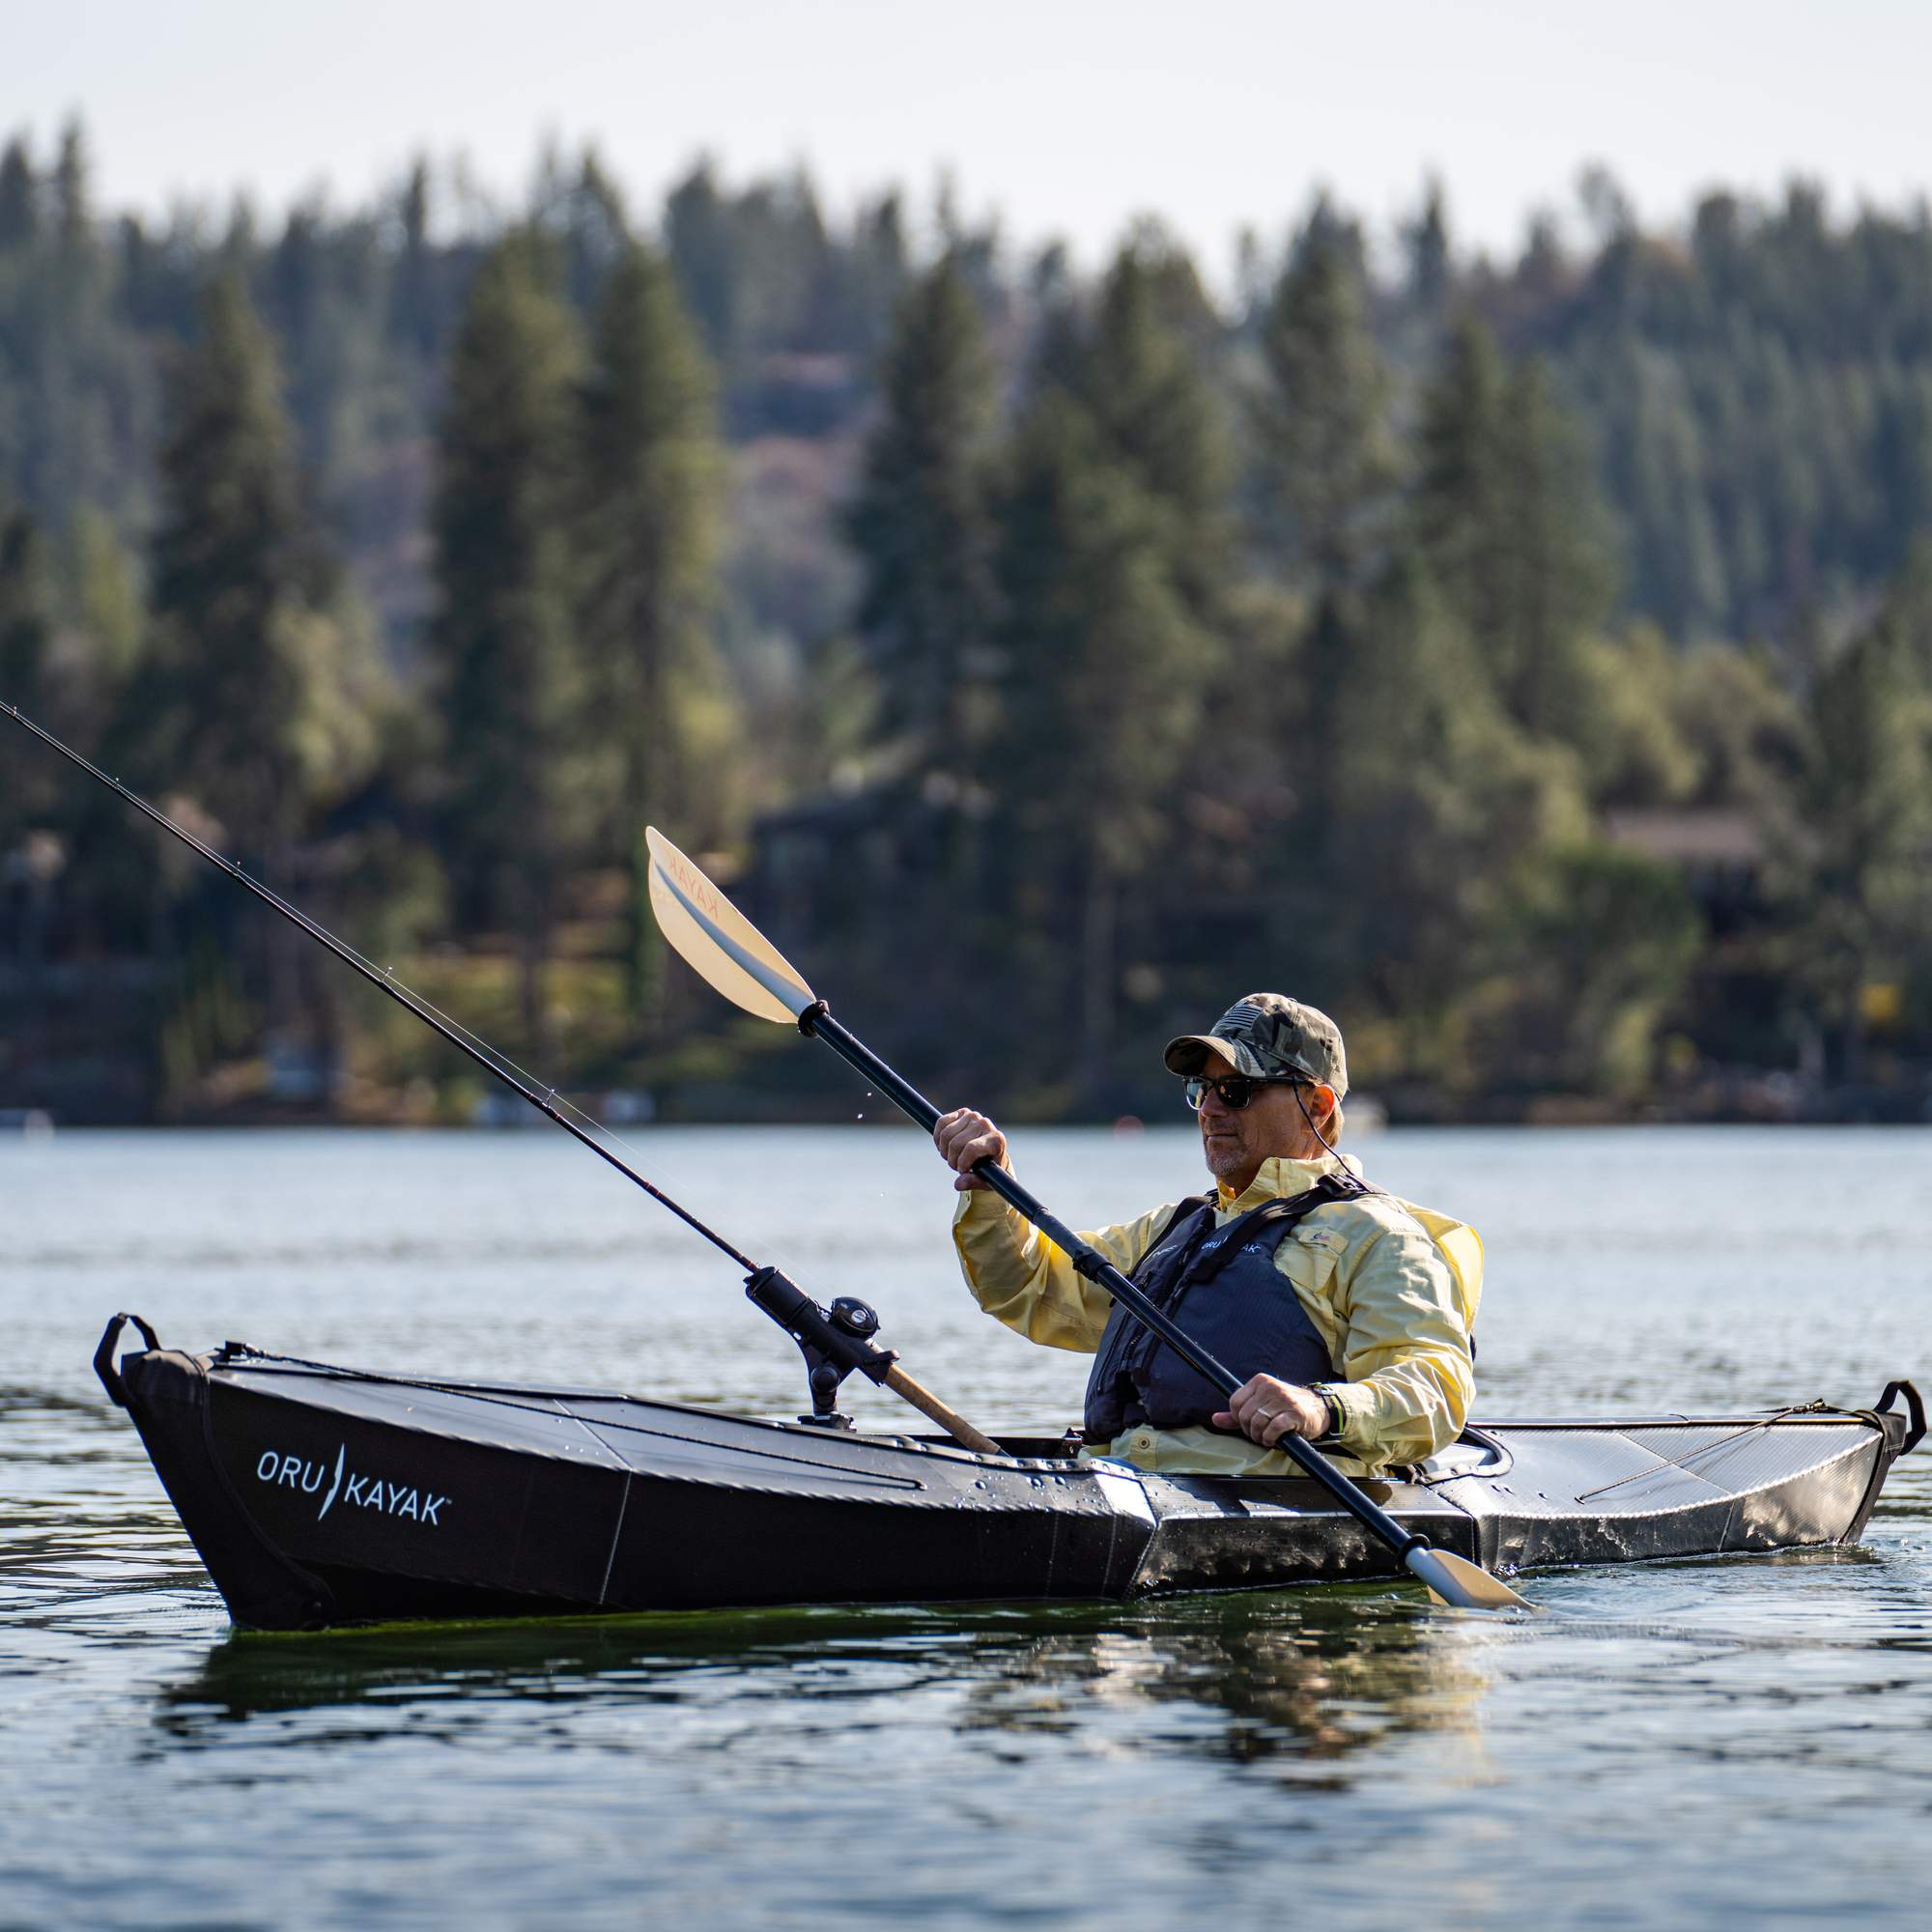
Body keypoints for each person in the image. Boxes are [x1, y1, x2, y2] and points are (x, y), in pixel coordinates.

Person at [932, 993, 1481, 1477]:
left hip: (1264, 1501)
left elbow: (1433, 1389)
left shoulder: (1380, 1237)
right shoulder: (1173, 1228)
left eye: (1237, 1090)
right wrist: (992, 1187)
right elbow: (1030, 1286)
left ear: (1317, 1106)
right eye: (1203, 1088)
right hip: (1119, 1484)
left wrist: (1321, 1408)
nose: (1211, 1109)